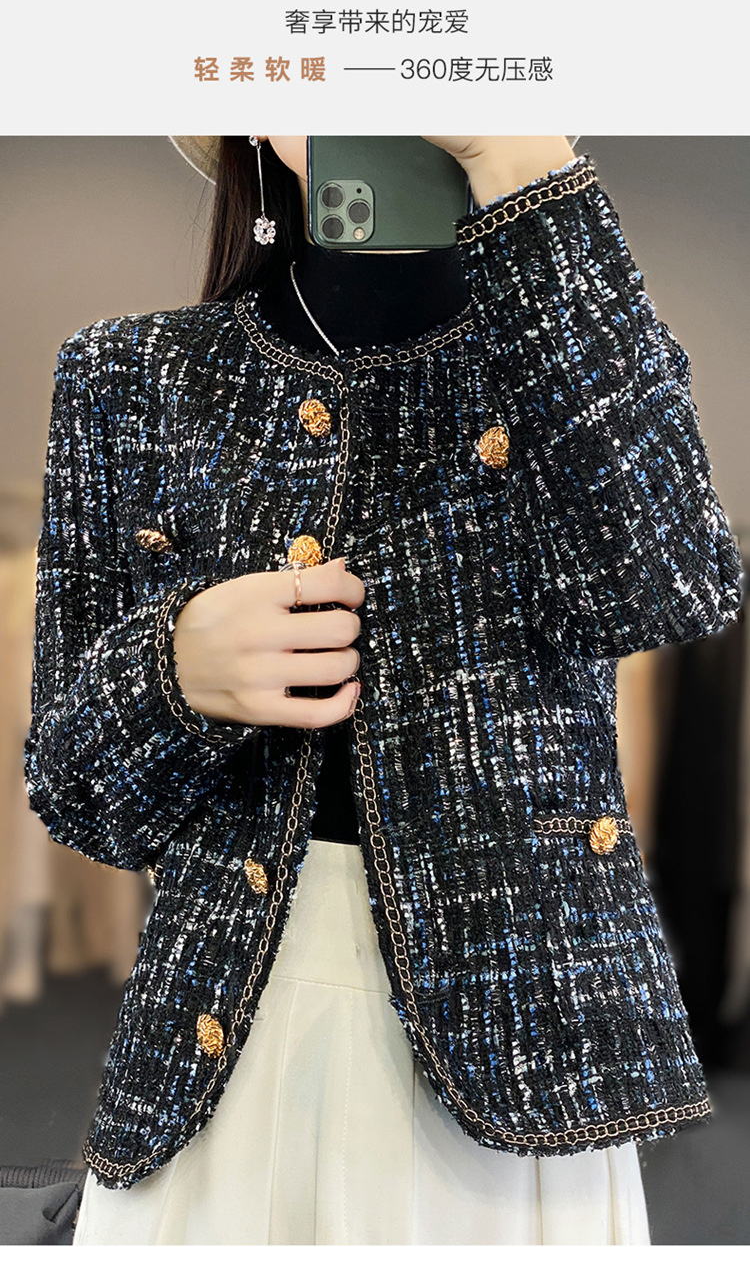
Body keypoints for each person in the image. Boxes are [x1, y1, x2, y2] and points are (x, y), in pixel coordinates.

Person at [24, 136, 743, 1246]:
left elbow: (673, 584)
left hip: (523, 1054)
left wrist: (517, 159)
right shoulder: (132, 375)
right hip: (215, 1054)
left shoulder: (571, 359)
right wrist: (173, 673)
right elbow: (74, 793)